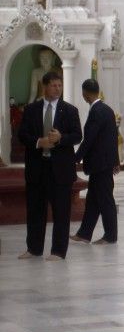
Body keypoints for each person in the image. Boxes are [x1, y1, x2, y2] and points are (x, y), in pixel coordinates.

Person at [17, 71, 82, 260]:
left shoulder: (70, 110)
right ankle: (34, 248)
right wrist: (38, 142)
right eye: (53, 85)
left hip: (60, 169)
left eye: (60, 85)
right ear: (44, 86)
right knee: (35, 210)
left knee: (61, 211)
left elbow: (78, 135)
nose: (57, 89)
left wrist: (61, 138)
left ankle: (58, 251)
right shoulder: (31, 110)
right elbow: (22, 135)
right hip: (37, 168)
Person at [71, 79, 119, 245]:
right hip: (104, 162)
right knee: (93, 200)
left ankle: (110, 235)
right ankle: (84, 233)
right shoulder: (107, 110)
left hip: (100, 164)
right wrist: (116, 160)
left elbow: (89, 139)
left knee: (105, 199)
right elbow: (113, 137)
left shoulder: (97, 111)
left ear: (84, 94)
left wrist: (75, 158)